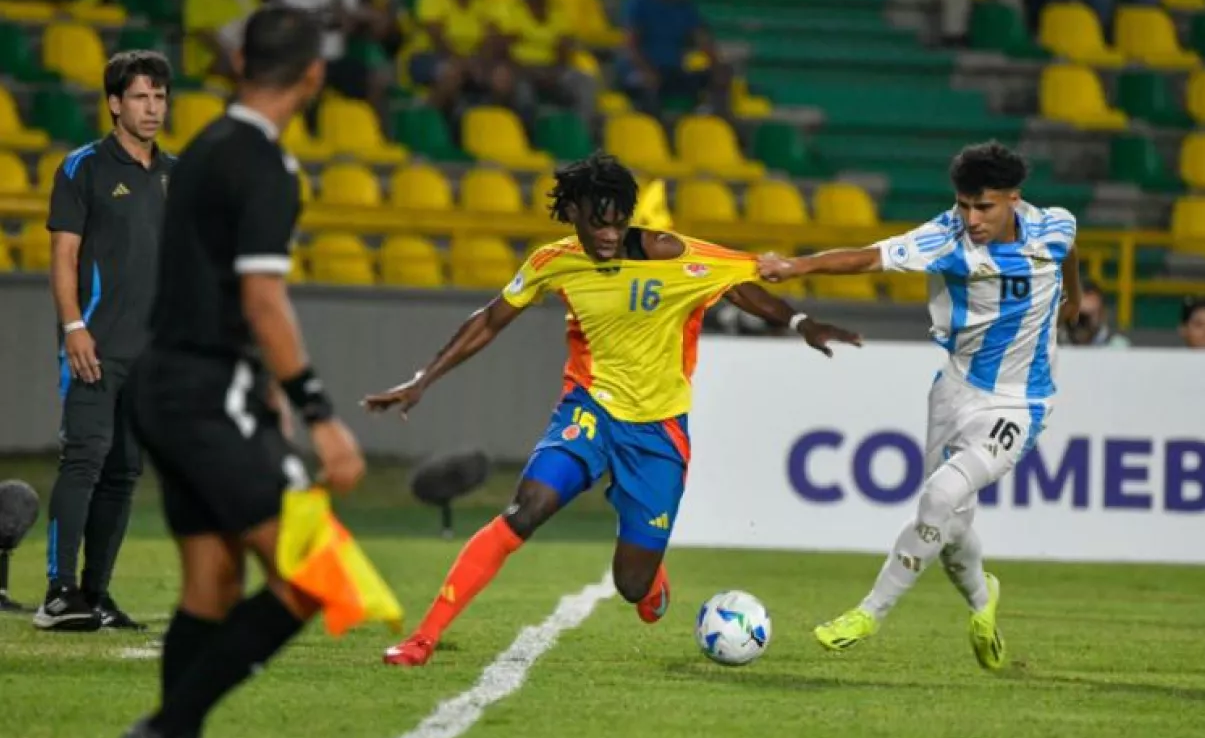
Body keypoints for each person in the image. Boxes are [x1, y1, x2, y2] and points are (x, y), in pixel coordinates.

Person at [365, 151, 861, 667]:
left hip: (658, 431)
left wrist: (801, 321)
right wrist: (424, 379)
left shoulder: (666, 254)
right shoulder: (552, 262)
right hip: (589, 411)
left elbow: (737, 283)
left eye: (618, 222)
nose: (607, 234)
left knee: (632, 586)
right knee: (525, 509)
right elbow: (490, 320)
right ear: (573, 212)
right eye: (597, 223)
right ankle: (422, 638)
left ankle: (649, 571)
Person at [122, 5, 366, 738]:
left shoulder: (201, 147)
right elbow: (263, 299)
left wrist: (259, 388)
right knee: (318, 576)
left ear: (238, 64)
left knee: (212, 585)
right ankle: (167, 730)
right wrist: (319, 413)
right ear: (315, 75)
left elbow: (206, 283)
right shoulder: (265, 163)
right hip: (205, 395)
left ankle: (172, 735)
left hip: (161, 387)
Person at [759, 141, 1082, 670]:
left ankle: (869, 613)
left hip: (1020, 403)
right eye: (964, 205)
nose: (972, 219)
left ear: (1013, 200)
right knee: (950, 528)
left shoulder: (1053, 227)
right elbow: (869, 257)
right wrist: (794, 267)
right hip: (953, 391)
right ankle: (983, 600)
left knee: (941, 494)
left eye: (985, 208)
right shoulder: (946, 238)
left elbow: (1071, 249)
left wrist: (1072, 299)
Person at [35, 50, 174, 633]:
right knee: (85, 460)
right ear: (115, 103)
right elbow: (63, 255)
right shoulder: (83, 167)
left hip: (152, 355)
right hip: (95, 345)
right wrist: (73, 328)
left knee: (124, 473)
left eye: (160, 97)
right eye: (141, 97)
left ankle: (96, 593)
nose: (153, 107)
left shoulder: (177, 173)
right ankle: (57, 594)